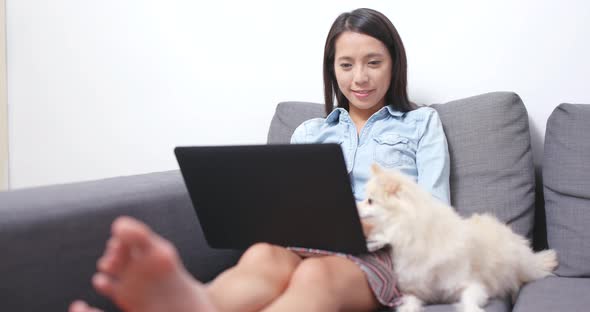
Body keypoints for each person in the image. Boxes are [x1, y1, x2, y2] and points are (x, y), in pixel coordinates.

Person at [69, 7, 450, 312]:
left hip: (381, 253)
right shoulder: (309, 132)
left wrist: (368, 220)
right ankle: (195, 304)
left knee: (316, 277)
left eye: (373, 62)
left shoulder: (420, 123)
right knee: (261, 255)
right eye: (346, 64)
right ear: (332, 69)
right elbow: (290, 207)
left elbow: (436, 212)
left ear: (394, 64)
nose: (360, 77)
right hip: (306, 246)